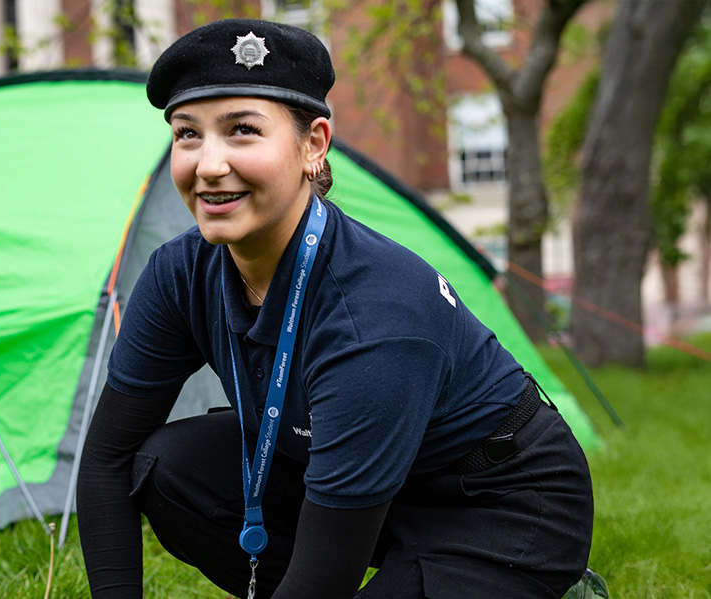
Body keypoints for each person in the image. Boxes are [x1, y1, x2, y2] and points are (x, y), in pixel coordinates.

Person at [76, 18, 593, 599]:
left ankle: (536, 585)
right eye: (187, 134)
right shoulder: (180, 273)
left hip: (495, 499)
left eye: (242, 130)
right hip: (352, 482)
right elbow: (106, 461)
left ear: (313, 145)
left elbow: (322, 585)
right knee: (167, 467)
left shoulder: (374, 319)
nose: (208, 165)